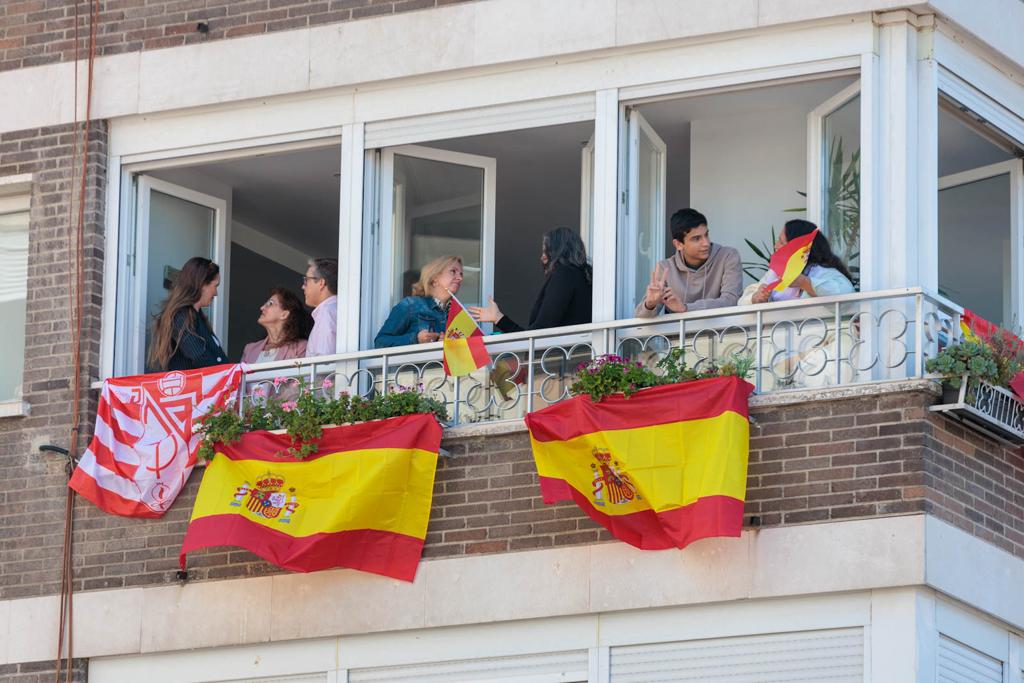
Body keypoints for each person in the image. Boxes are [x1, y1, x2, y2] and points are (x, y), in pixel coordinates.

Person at [469, 226, 592, 332]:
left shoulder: (564, 274)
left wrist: (498, 318)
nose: (542, 258)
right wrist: (498, 318)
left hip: (560, 357)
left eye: (546, 251)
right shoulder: (584, 277)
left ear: (558, 251)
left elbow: (539, 332)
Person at [635, 208, 743, 317]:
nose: (706, 243)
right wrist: (650, 304)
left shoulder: (728, 256)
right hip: (682, 333)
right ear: (678, 244)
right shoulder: (666, 268)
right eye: (696, 239)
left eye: (706, 235)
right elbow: (641, 318)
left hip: (724, 333)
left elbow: (730, 301)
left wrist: (686, 308)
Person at [743, 219, 855, 304]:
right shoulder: (774, 273)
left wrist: (804, 282)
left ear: (798, 247)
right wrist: (756, 297)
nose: (775, 246)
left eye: (781, 242)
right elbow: (742, 300)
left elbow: (847, 295)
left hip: (816, 334)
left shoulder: (822, 271)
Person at [148, 256, 228, 371]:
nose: (216, 293)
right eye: (215, 286)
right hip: (194, 388)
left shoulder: (196, 317)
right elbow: (199, 356)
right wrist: (228, 375)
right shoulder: (181, 315)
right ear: (201, 284)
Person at [374, 255, 463, 348]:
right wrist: (416, 339)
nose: (460, 278)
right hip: (417, 363)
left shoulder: (459, 315)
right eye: (453, 271)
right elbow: (380, 342)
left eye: (461, 274)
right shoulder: (411, 305)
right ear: (435, 278)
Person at [241, 287, 313, 364]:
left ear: (284, 314)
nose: (262, 308)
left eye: (270, 303)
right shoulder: (249, 349)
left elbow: (302, 375)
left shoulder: (300, 348)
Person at [302, 257, 338, 357]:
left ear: (321, 283)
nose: (303, 286)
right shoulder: (335, 309)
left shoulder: (327, 312)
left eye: (306, 280)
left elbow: (324, 364)